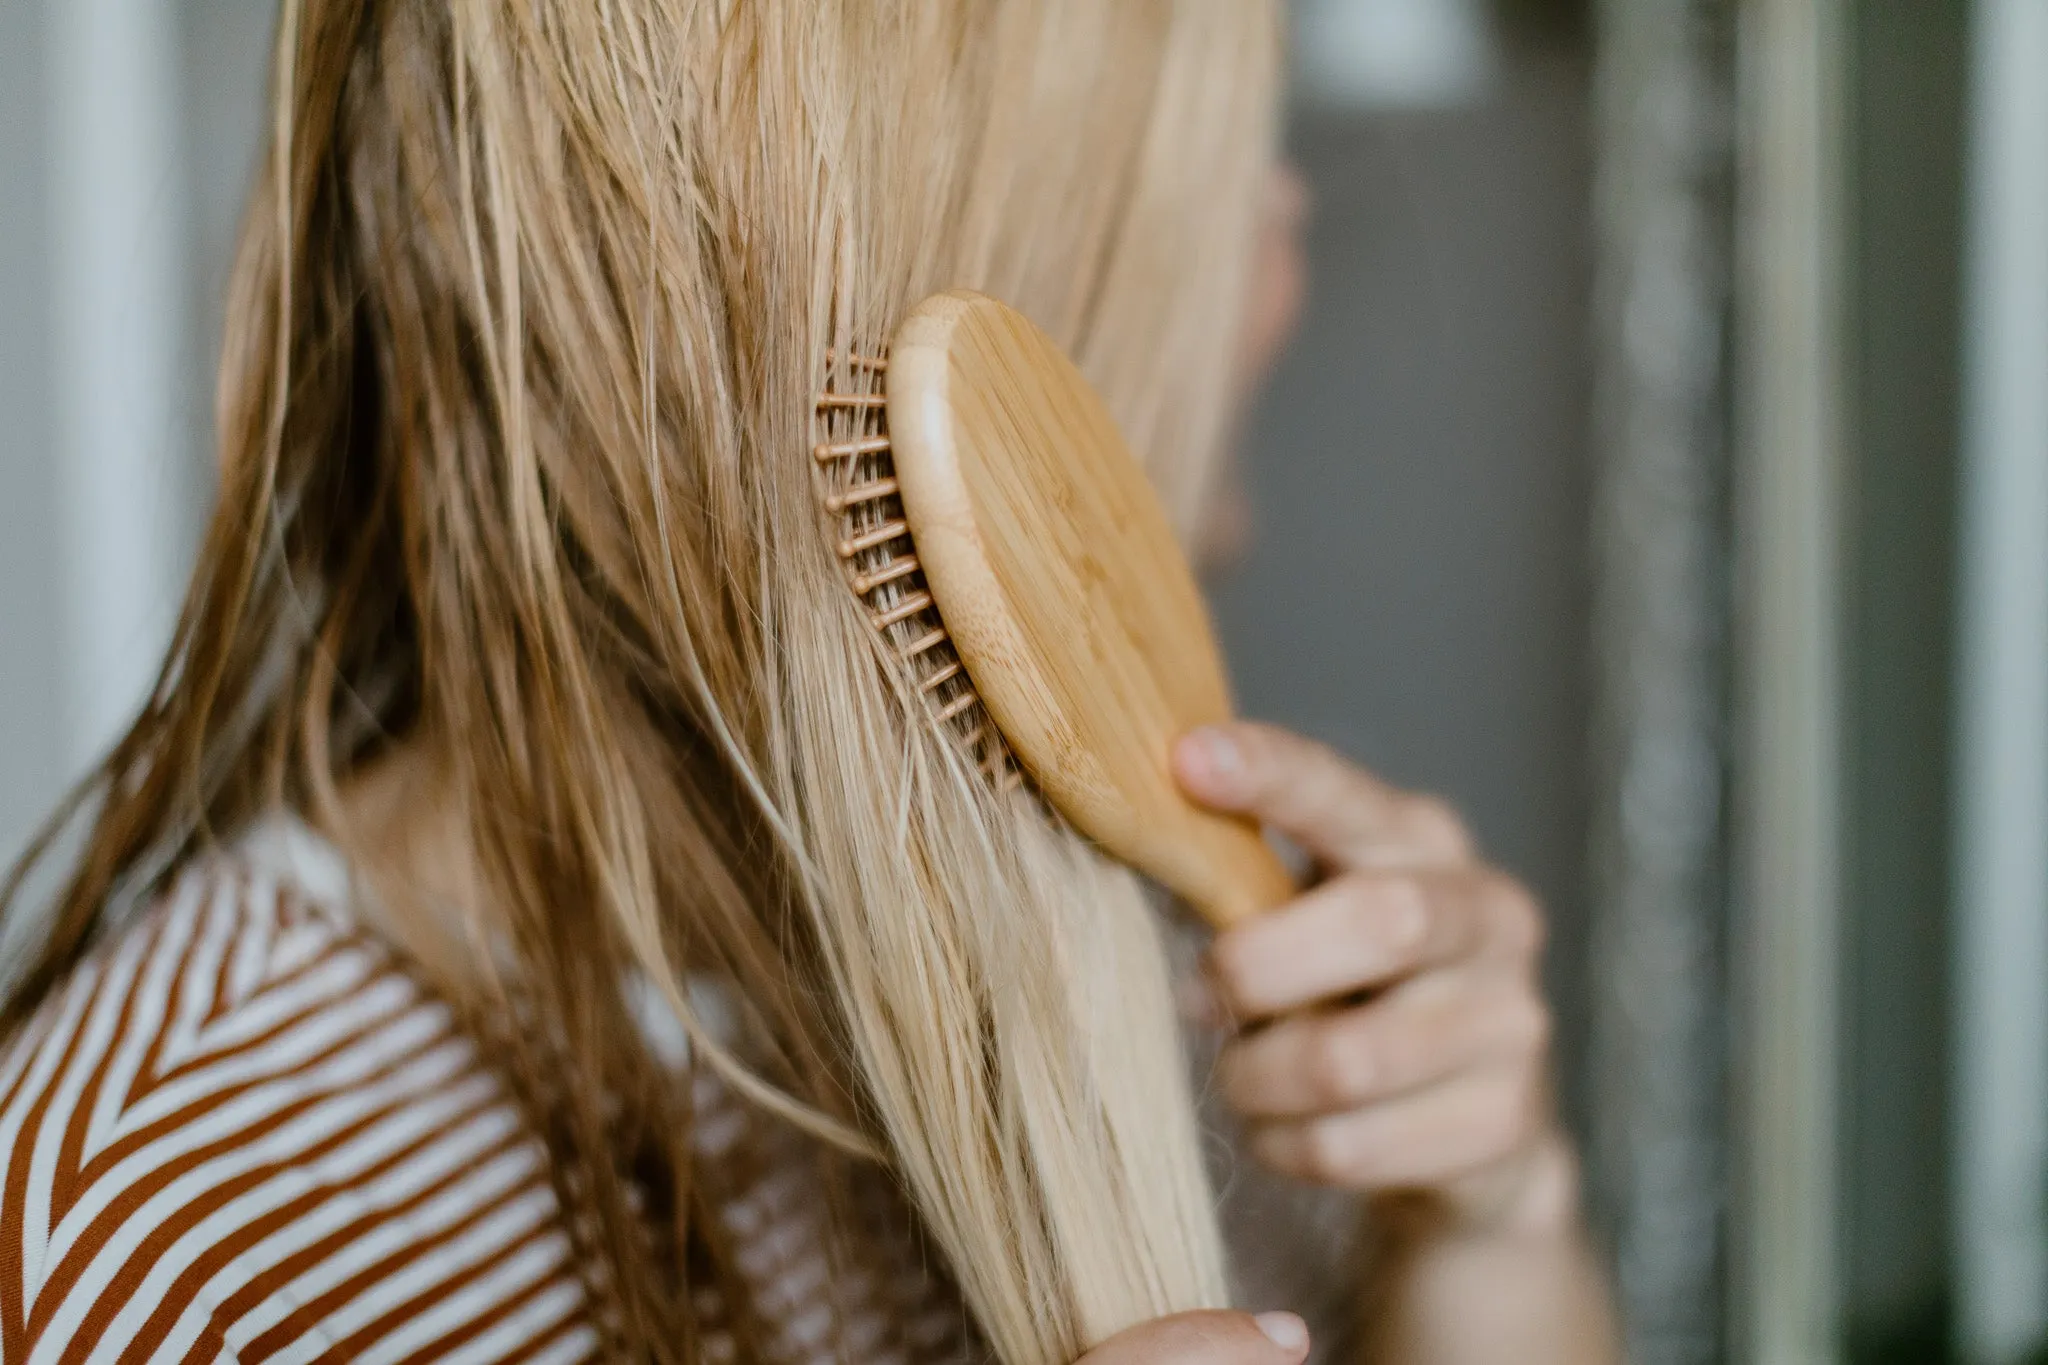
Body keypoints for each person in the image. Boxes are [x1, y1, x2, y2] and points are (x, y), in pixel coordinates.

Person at [0, 3, 1619, 1362]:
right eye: (1221, 175)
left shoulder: (1187, 996)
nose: (1287, 240)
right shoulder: (165, 1233)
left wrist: (1484, 1227)